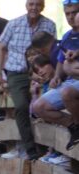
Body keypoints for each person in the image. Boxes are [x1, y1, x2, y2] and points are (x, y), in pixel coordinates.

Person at [0, 0, 56, 160]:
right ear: (26, 5)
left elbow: (52, 50)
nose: (34, 8)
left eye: (38, 4)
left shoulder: (49, 25)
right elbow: (1, 48)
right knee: (21, 106)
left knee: (44, 106)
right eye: (31, 4)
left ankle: (48, 149)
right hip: (17, 73)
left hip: (40, 72)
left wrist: (47, 73)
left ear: (43, 6)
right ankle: (31, 150)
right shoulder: (14, 24)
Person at [32, 1, 79, 150]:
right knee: (38, 107)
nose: (71, 17)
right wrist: (57, 76)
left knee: (67, 93)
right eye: (68, 14)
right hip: (71, 80)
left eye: (74, 13)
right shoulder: (66, 36)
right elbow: (60, 60)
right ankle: (73, 126)